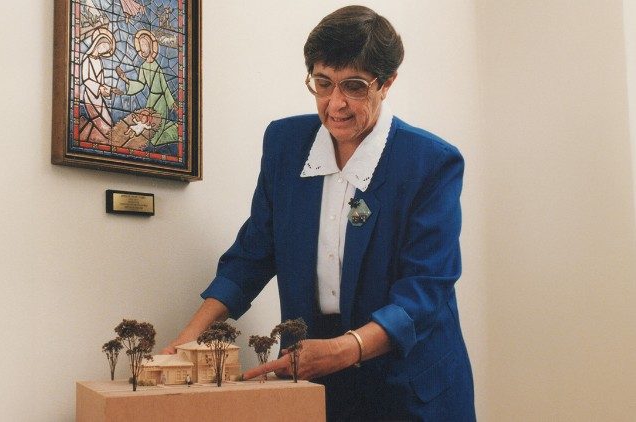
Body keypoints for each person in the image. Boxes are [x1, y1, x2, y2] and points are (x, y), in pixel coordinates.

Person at [163, 5, 475, 421]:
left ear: (388, 83)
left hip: (409, 383)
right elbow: (254, 253)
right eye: (323, 83)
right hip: (313, 375)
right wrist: (187, 339)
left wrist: (343, 350)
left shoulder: (430, 163)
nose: (336, 103)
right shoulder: (285, 144)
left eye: (355, 86)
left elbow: (424, 291)